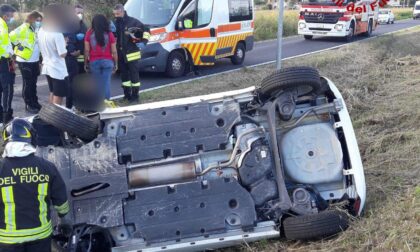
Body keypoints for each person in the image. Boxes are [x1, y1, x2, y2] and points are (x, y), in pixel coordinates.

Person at [0, 118, 70, 252]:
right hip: (40, 236)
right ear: (31, 138)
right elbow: (60, 200)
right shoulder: (47, 167)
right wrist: (64, 219)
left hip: (7, 240)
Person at [113, 4, 150, 102]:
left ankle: (135, 96)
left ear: (123, 11)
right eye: (115, 14)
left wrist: (144, 42)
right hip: (120, 54)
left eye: (117, 14)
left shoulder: (133, 21)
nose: (116, 16)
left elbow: (146, 30)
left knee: (134, 75)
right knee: (124, 75)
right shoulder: (115, 23)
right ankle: (127, 95)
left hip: (132, 53)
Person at [9, 11, 43, 114]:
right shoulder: (22, 28)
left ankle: (34, 102)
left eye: (40, 21)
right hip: (25, 61)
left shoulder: (36, 28)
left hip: (34, 60)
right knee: (28, 84)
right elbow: (10, 38)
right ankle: (28, 104)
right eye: (37, 20)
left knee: (33, 83)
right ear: (32, 19)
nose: (39, 22)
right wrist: (19, 48)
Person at [38, 4, 69, 105]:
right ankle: (55, 117)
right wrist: (65, 44)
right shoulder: (57, 33)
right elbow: (62, 54)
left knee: (52, 92)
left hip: (47, 65)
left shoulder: (41, 30)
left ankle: (50, 115)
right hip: (57, 68)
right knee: (58, 95)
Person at [84, 14, 118, 101]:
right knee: (106, 83)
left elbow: (87, 50)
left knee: (97, 83)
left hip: (94, 61)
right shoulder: (109, 34)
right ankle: (106, 102)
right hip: (108, 61)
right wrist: (116, 63)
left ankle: (98, 103)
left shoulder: (89, 33)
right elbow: (114, 51)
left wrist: (85, 63)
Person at [0, 5, 16, 125]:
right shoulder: (2, 25)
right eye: (11, 15)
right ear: (5, 15)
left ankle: (1, 117)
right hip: (3, 62)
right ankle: (7, 117)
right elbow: (5, 45)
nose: (12, 18)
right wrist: (12, 55)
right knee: (8, 89)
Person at [74, 4, 88, 73]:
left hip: (82, 55)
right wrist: (74, 37)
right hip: (73, 56)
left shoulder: (84, 25)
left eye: (81, 13)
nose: (80, 15)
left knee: (82, 75)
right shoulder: (69, 25)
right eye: (78, 13)